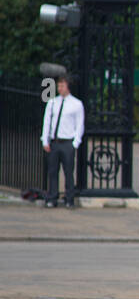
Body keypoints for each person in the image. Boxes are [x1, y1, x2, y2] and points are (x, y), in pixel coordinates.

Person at [40, 75, 85, 208]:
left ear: (68, 87)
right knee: (53, 171)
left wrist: (75, 143)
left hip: (67, 142)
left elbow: (79, 125)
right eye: (58, 86)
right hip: (55, 141)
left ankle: (69, 198)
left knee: (68, 171)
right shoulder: (52, 102)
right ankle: (52, 197)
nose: (59, 88)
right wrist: (45, 140)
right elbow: (47, 122)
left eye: (62, 86)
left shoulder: (76, 104)